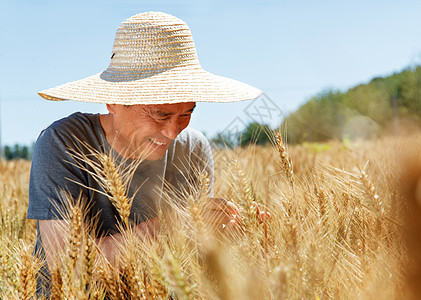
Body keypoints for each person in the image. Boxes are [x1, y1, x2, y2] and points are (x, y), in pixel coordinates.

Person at [27, 11, 263, 296]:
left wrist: (227, 235)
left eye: (186, 114)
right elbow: (69, 268)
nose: (173, 132)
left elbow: (189, 264)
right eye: (160, 115)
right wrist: (171, 225)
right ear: (114, 99)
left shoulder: (194, 148)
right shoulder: (64, 142)